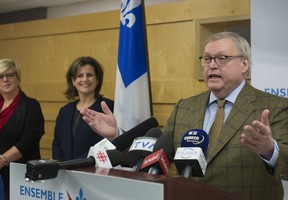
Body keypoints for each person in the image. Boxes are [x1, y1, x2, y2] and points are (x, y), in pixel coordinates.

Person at [80, 32, 288, 200]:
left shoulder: (274, 106)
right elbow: (157, 152)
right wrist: (117, 134)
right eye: (207, 59)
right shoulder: (185, 107)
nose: (212, 65)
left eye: (222, 58)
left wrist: (269, 150)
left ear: (244, 64)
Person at [52, 56, 114, 161]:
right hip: (64, 172)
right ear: (73, 80)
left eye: (89, 75)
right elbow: (57, 144)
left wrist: (78, 166)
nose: (85, 79)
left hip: (93, 171)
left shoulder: (108, 108)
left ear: (97, 79)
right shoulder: (65, 111)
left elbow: (105, 145)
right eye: (80, 75)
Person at [0, 58, 45, 200]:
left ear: (18, 78)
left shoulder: (31, 106)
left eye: (10, 75)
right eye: (1, 76)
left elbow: (28, 141)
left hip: (20, 175)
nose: (5, 79)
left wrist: (2, 160)